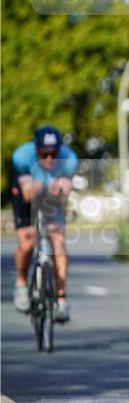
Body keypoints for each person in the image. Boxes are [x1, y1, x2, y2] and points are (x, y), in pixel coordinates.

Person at [10, 125, 78, 322]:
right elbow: (28, 194)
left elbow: (64, 196)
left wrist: (60, 190)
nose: (49, 158)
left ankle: (61, 298)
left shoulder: (68, 159)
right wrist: (47, 186)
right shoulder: (22, 157)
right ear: (36, 149)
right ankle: (21, 283)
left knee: (58, 240)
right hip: (25, 195)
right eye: (44, 154)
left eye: (53, 153)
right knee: (27, 240)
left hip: (50, 198)